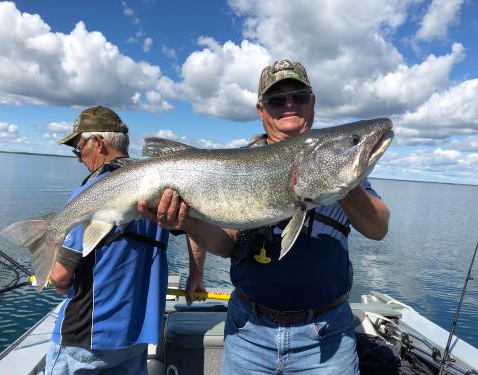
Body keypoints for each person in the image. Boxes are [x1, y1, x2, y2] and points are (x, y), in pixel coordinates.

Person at [138, 60, 390, 374]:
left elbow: (378, 227)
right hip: (249, 333)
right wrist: (188, 222)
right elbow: (228, 244)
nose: (289, 105)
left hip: (326, 336)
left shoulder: (340, 167)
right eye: (276, 100)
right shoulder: (239, 165)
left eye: (298, 97)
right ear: (261, 110)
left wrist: (340, 176)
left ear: (312, 103)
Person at [45, 106, 169, 375]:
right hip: (137, 335)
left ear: (99, 143)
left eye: (79, 149)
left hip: (88, 337)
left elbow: (60, 277)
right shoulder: (159, 189)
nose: (79, 159)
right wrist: (196, 273)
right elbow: (191, 228)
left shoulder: (93, 192)